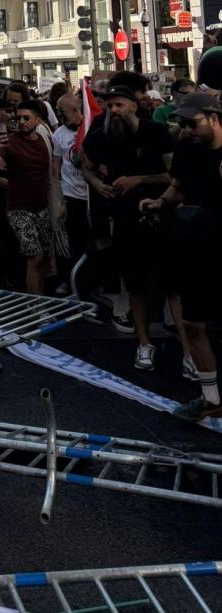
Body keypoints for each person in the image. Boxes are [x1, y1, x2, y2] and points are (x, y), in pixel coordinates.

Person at [80, 84, 184, 372]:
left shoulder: (155, 133)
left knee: (171, 286)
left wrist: (138, 180)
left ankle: (189, 352)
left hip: (161, 217)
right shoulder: (102, 136)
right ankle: (144, 344)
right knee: (135, 285)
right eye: (109, 105)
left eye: (119, 105)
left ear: (134, 106)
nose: (113, 110)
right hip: (125, 221)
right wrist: (97, 183)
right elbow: (83, 163)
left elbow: (172, 175)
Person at [140, 92, 221, 419]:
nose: (185, 130)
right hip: (195, 246)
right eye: (182, 124)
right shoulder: (187, 148)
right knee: (193, 323)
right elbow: (179, 187)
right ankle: (211, 397)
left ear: (214, 117)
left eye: (192, 123)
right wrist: (160, 202)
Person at [0, 100, 53, 294]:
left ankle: (40, 299)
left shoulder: (44, 140)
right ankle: (37, 306)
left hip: (41, 206)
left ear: (38, 120)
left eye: (27, 118)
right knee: (35, 257)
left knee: (44, 258)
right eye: (19, 118)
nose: (22, 121)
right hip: (19, 208)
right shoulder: (10, 142)